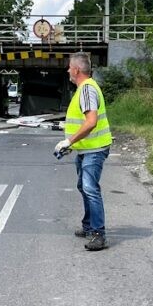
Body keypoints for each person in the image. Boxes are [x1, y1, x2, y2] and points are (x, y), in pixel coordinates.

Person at [54, 52, 112, 251]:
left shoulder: (86, 90)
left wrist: (68, 141)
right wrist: (72, 144)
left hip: (95, 149)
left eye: (69, 67)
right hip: (86, 149)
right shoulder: (84, 89)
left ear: (76, 70)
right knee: (83, 186)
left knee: (90, 188)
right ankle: (89, 226)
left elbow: (91, 122)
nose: (68, 70)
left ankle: (99, 234)